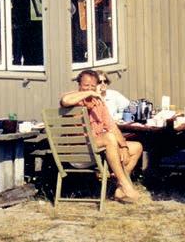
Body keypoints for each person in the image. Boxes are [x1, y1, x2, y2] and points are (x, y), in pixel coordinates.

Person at [60, 70, 144, 202]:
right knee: (109, 138)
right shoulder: (73, 99)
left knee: (136, 147)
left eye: (92, 86)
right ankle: (125, 185)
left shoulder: (99, 103)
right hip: (78, 152)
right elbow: (65, 100)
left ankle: (119, 188)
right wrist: (90, 93)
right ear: (79, 84)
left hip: (95, 149)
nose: (89, 88)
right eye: (86, 85)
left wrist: (123, 146)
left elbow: (112, 126)